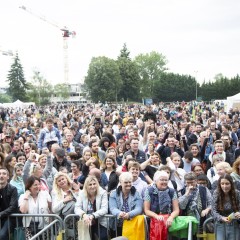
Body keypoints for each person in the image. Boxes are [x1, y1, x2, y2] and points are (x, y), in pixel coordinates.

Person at [144, 171, 179, 239]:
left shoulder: (172, 191)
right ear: (156, 181)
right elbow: (146, 210)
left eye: (166, 180)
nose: (164, 182)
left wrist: (171, 217)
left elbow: (176, 210)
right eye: (162, 180)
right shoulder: (149, 191)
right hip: (154, 220)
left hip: (168, 219)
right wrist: (156, 216)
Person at [109, 172, 143, 237]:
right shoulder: (113, 193)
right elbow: (112, 208)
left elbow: (139, 208)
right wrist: (120, 213)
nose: (128, 184)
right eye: (125, 182)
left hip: (132, 224)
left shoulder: (136, 193)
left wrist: (129, 214)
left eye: (130, 182)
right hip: (117, 225)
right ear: (120, 183)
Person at [75, 175, 108, 240]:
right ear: (86, 186)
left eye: (94, 184)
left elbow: (104, 209)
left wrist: (92, 216)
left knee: (102, 237)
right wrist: (84, 215)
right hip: (86, 221)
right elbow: (77, 208)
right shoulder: (82, 193)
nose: (93, 186)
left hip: (100, 222)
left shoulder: (103, 192)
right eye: (90, 184)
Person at [212, 174, 240, 240]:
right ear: (219, 184)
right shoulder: (216, 193)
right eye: (222, 184)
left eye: (227, 184)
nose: (224, 186)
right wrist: (221, 218)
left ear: (231, 184)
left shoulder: (237, 193)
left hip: (234, 223)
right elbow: (213, 211)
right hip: (220, 223)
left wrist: (239, 213)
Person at [0, 168, 18, 240]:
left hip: (9, 218)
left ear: (8, 177)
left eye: (4, 174)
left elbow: (13, 207)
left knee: (2, 235)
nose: (1, 176)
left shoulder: (13, 189)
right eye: (0, 174)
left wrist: (1, 214)